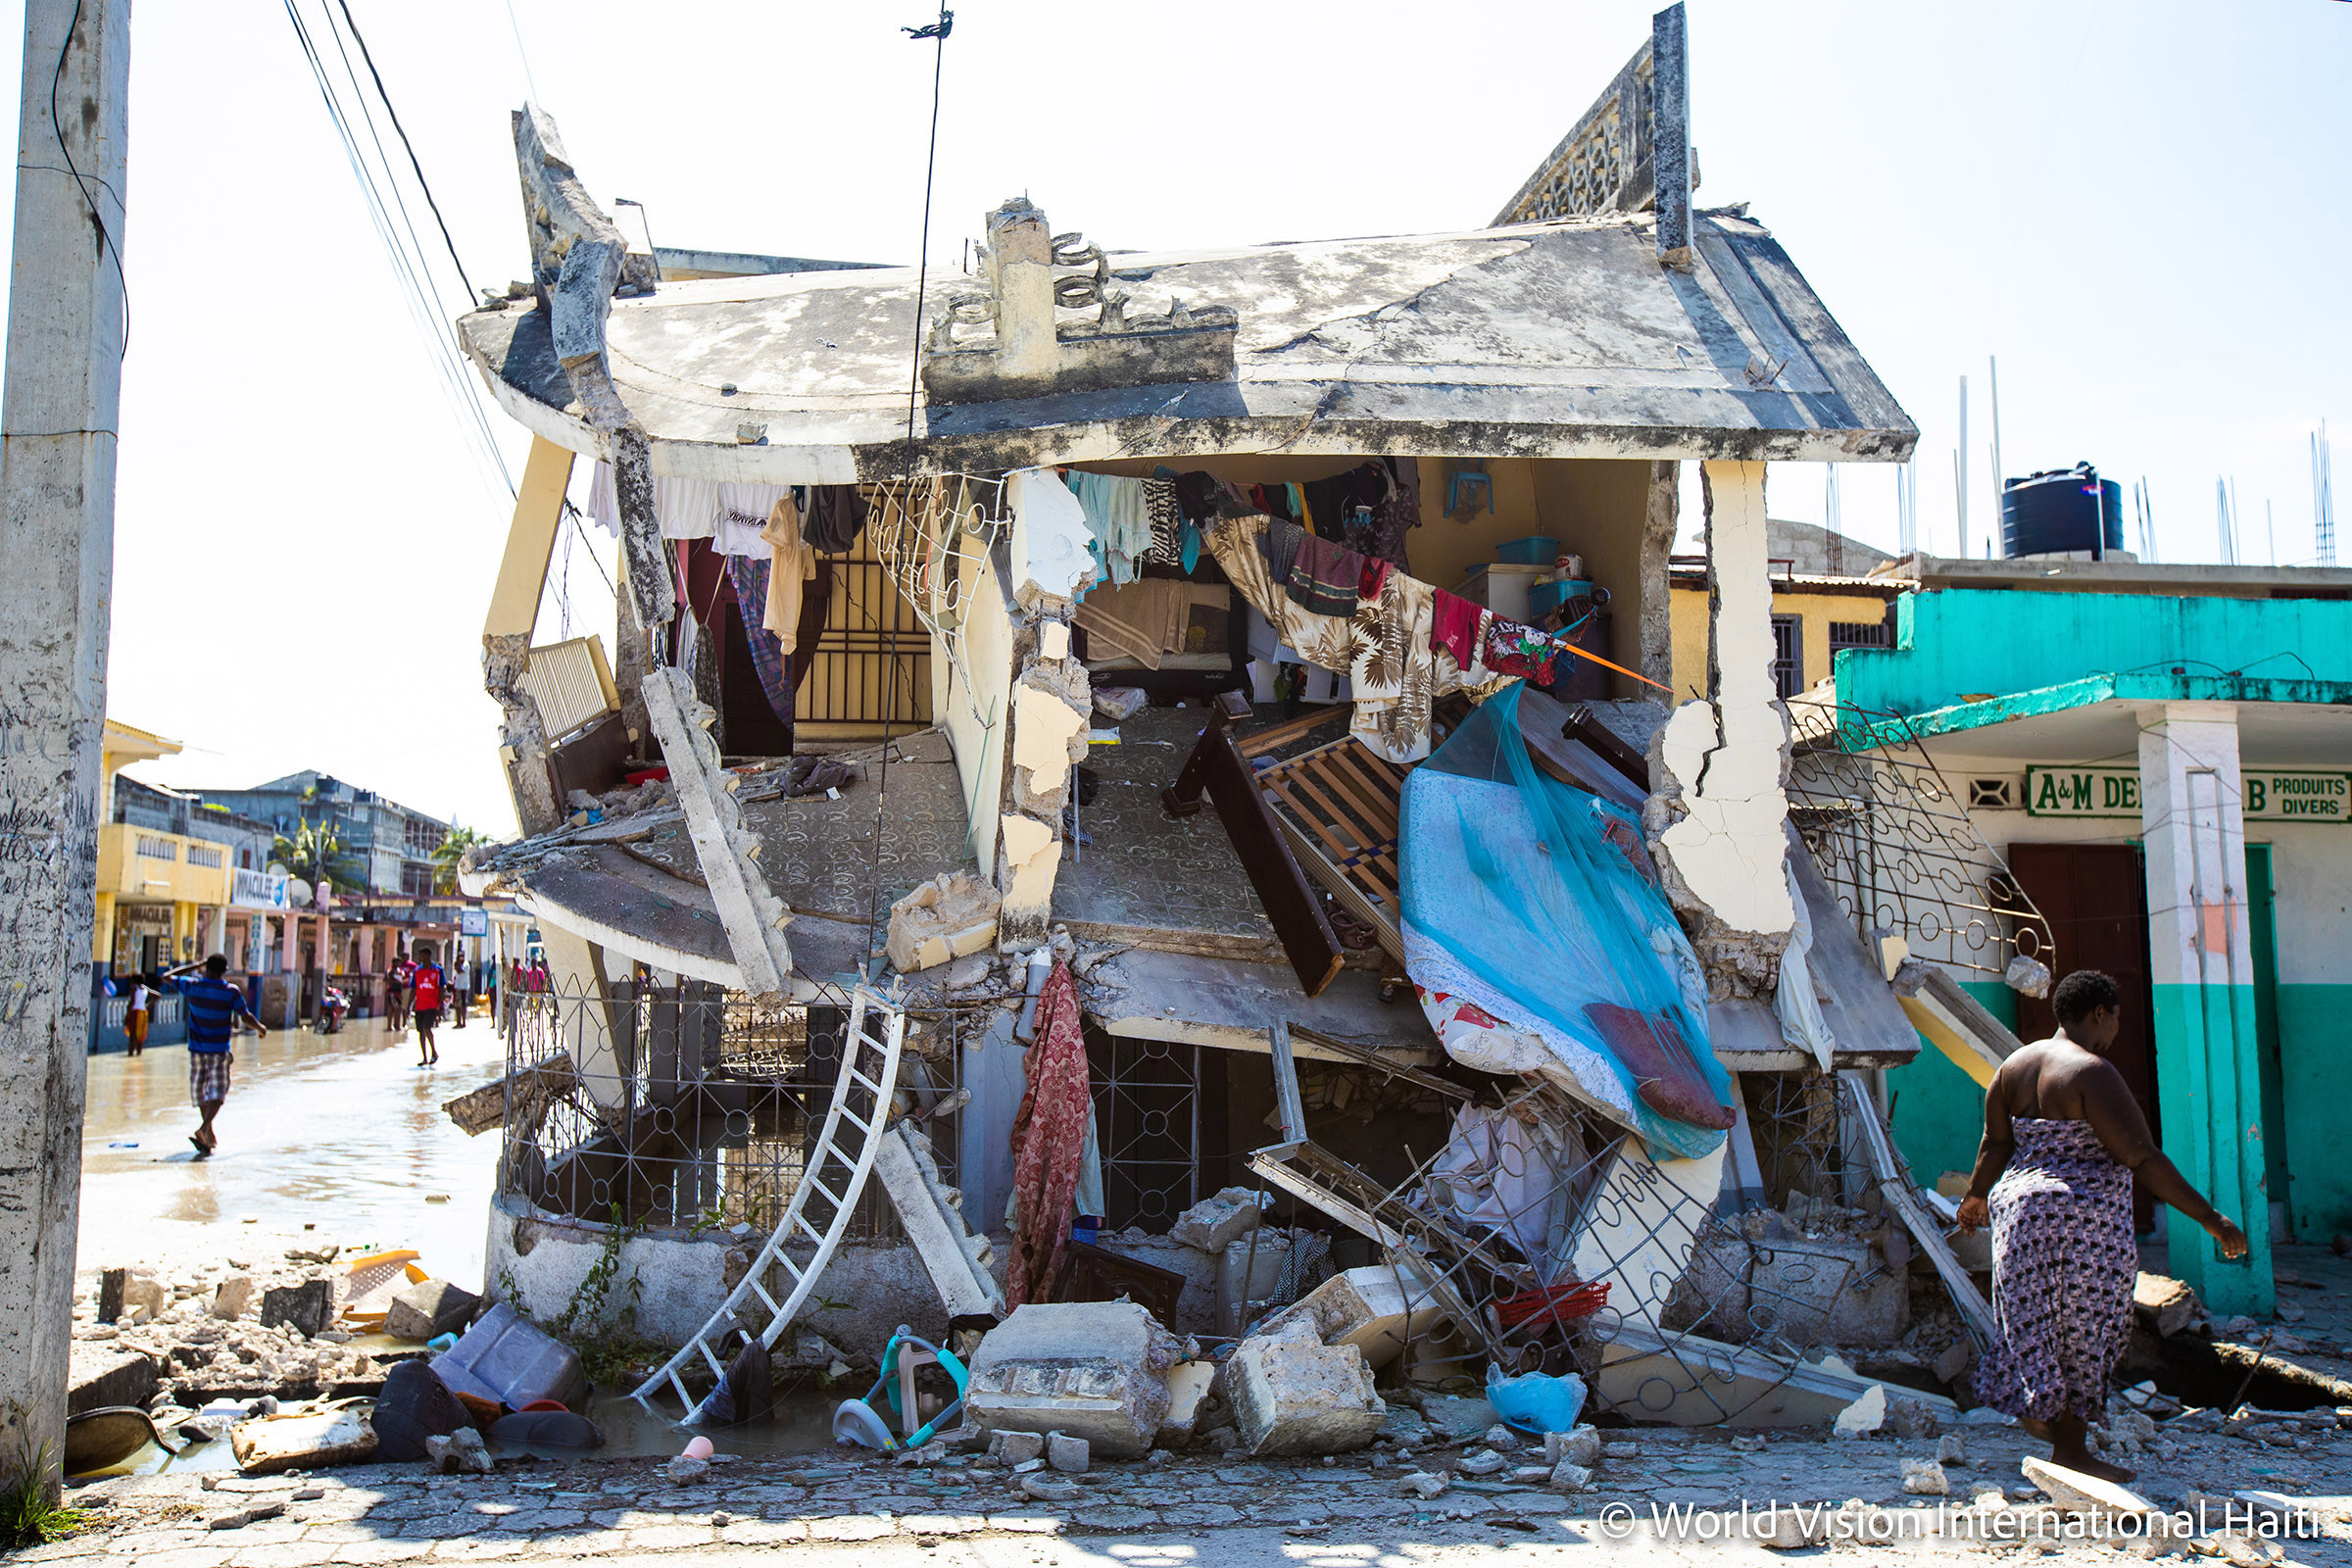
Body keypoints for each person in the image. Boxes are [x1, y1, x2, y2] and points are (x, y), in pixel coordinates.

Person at [1958, 968, 2247, 1482]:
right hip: (2081, 1223)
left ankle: (2041, 1410)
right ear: (2099, 1013)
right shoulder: (2092, 1072)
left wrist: (1976, 1195)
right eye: (2116, 1018)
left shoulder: (2013, 1067)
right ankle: (2071, 1451)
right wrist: (2211, 1219)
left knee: (2034, 1326)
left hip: (2020, 1215)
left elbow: (1995, 1142)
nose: (2116, 1029)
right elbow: (2142, 1158)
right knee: (2084, 1331)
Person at [164, 954, 267, 1156]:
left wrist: (195, 966)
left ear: (206, 968)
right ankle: (205, 1129)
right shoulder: (230, 991)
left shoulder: (193, 987)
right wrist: (260, 1028)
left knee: (202, 1092)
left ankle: (207, 1133)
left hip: (197, 1050)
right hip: (218, 1050)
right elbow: (244, 1016)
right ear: (225, 970)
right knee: (219, 1092)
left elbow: (167, 976)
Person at [409, 941, 448, 1067]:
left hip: (432, 1005)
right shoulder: (417, 971)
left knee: (427, 1028)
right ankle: (424, 1057)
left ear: (427, 956)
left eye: (421, 955)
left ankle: (434, 1053)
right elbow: (413, 989)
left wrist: (441, 1005)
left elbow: (441, 988)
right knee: (420, 1032)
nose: (419, 958)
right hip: (420, 1005)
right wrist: (409, 1005)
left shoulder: (437, 970)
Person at [123, 972, 155, 1056]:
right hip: (143, 1013)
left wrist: (126, 1016)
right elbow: (158, 995)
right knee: (140, 1035)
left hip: (135, 1012)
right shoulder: (145, 988)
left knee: (132, 1034)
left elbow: (132, 1002)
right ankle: (139, 1053)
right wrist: (147, 1005)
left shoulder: (134, 988)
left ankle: (130, 1054)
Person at [386, 950, 416, 1033]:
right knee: (392, 1008)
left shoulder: (400, 971)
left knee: (399, 1008)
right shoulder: (391, 970)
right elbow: (387, 979)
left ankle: (397, 1025)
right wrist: (394, 981)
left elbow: (403, 977)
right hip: (392, 991)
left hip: (399, 991)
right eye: (397, 963)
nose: (399, 964)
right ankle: (390, 1026)